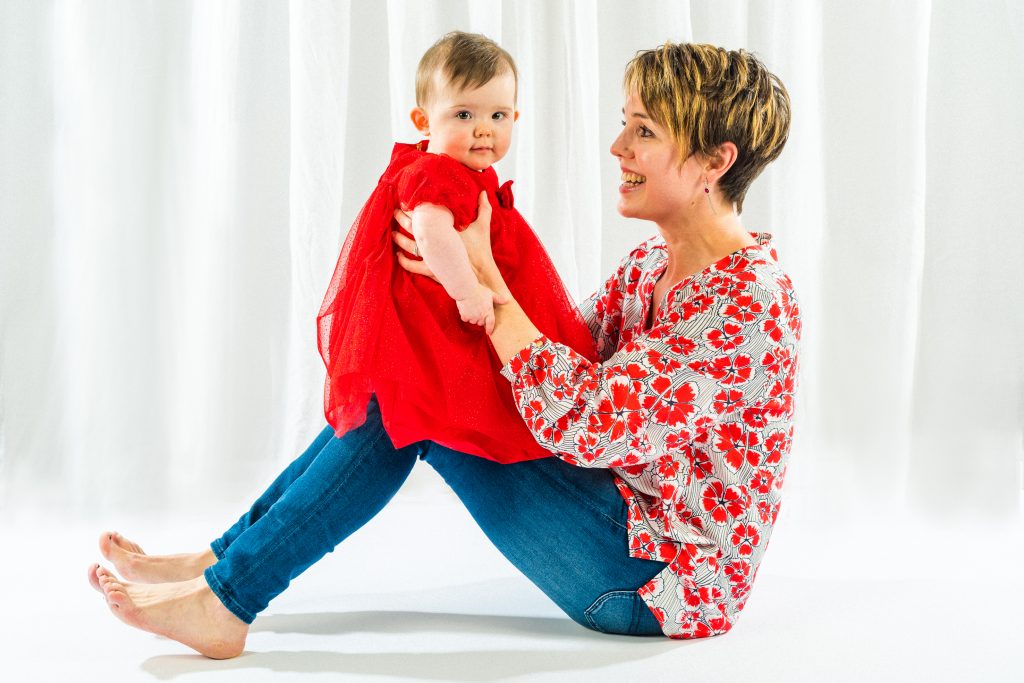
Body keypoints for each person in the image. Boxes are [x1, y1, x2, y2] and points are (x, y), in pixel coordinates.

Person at [89, 41, 798, 658]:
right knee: (414, 379)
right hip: (621, 517)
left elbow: (588, 421)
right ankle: (221, 565)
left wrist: (482, 276)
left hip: (657, 580)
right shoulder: (652, 266)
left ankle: (228, 596)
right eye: (624, 124)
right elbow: (557, 355)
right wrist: (447, 280)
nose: (618, 148)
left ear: (715, 161)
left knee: (419, 404)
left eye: (642, 131)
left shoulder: (748, 300)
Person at [317, 31, 596, 464]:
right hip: (438, 315)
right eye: (464, 114)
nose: (484, 128)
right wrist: (467, 292)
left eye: (498, 115)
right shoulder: (435, 172)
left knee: (381, 424)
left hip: (464, 300)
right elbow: (431, 232)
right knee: (405, 415)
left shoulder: (464, 168)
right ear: (424, 121)